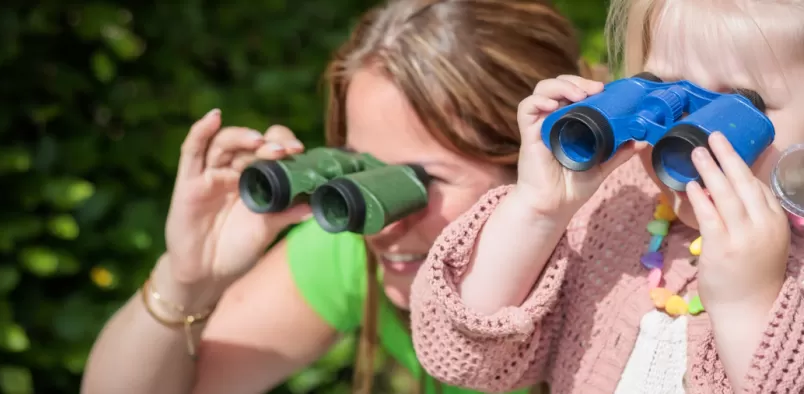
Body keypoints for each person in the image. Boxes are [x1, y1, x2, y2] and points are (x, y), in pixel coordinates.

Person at [407, 0, 804, 392]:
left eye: (744, 104)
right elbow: (462, 357)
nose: (690, 133)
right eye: (664, 86)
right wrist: (538, 211)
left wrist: (751, 305)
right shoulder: (613, 210)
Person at [81, 1, 587, 393]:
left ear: (541, 161)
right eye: (362, 172)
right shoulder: (352, 248)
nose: (381, 225)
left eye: (416, 182)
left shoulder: (616, 266)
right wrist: (189, 277)